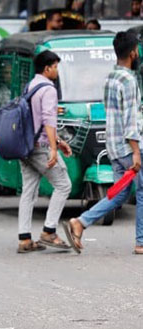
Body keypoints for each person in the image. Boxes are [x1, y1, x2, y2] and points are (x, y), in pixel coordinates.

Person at [64, 31, 143, 255]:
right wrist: (136, 152)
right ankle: (140, 242)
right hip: (130, 147)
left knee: (119, 194)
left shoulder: (111, 77)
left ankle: (81, 222)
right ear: (133, 53)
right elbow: (129, 120)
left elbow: (115, 113)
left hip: (115, 146)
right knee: (141, 192)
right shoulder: (128, 80)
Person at [17, 50, 73, 253]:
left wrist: (58, 141)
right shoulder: (48, 89)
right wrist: (53, 149)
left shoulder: (30, 85)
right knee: (64, 185)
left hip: (24, 146)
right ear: (47, 68)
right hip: (40, 147)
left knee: (28, 191)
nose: (57, 71)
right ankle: (49, 231)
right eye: (56, 67)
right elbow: (48, 121)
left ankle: (24, 239)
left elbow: (36, 120)